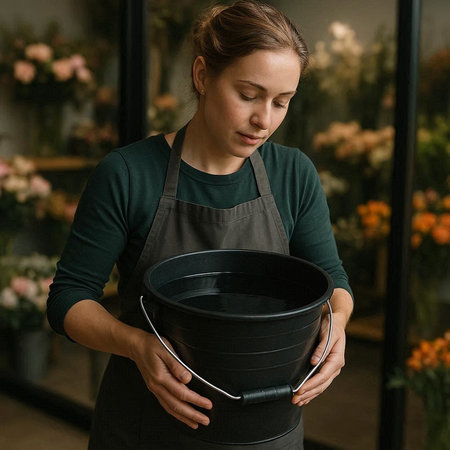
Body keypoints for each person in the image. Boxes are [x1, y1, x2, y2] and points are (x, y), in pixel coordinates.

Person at [47, 1, 354, 448]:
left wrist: (339, 324)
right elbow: (68, 299)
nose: (263, 120)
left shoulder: (294, 174)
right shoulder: (129, 174)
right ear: (202, 76)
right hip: (147, 424)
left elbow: (333, 281)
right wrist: (135, 344)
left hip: (266, 428)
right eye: (248, 95)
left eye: (281, 102)